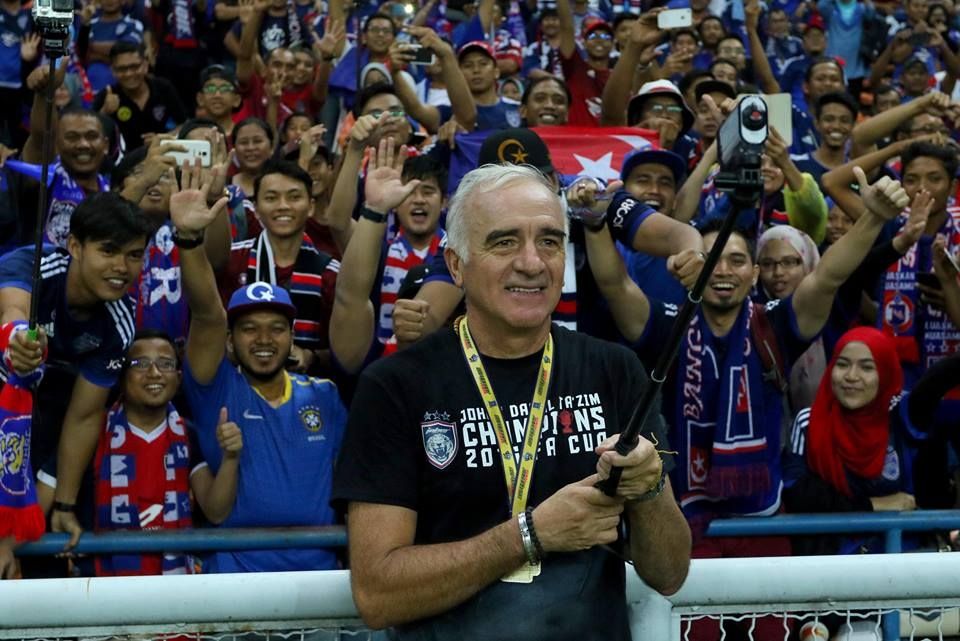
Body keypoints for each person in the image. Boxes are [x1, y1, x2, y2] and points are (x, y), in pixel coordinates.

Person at [332, 162, 691, 639]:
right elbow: (378, 594)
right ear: (456, 264)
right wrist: (531, 534)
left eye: (548, 240)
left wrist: (648, 490)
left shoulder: (615, 369)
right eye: (504, 242)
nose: (531, 262)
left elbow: (668, 572)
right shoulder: (396, 386)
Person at [173, 160, 347, 574]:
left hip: (320, 578)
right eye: (249, 329)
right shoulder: (214, 387)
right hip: (236, 578)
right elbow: (207, 313)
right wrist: (189, 239)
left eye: (276, 328)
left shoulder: (325, 395)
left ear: (292, 337)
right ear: (230, 342)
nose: (264, 339)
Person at [0, 193, 153, 546]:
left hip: (43, 421)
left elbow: (84, 415)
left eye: (134, 255)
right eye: (108, 251)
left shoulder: (120, 324)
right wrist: (19, 340)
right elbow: (13, 312)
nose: (121, 267)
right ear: (75, 246)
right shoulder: (31, 265)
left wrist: (62, 500)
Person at [783, 328, 960, 556]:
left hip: (905, 558)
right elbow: (798, 495)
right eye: (843, 364)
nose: (851, 376)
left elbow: (935, 383)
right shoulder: (808, 422)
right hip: (831, 562)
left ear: (885, 372)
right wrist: (873, 505)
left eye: (867, 367)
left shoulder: (900, 415)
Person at [93, 42, 187, 152]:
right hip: (122, 163)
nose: (129, 73)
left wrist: (162, 139)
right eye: (122, 69)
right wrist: (104, 111)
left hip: (160, 154)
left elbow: (184, 124)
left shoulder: (163, 88)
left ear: (145, 65)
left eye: (134, 67)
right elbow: (90, 133)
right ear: (113, 71)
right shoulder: (106, 95)